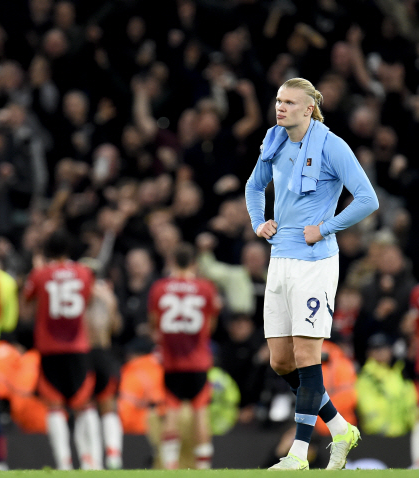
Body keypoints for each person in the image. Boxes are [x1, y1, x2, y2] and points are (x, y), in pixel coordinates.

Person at [245, 77, 379, 470]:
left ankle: (299, 454)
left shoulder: (332, 145)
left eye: (288, 102)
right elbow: (255, 186)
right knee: (281, 361)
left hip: (315, 261)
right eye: (277, 100)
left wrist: (326, 227)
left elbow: (367, 198)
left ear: (309, 108)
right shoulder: (274, 140)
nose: (280, 107)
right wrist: (258, 221)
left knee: (307, 355)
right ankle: (339, 426)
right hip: (280, 258)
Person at [21, 231, 97, 470]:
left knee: (54, 405)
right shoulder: (84, 273)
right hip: (77, 345)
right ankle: (90, 461)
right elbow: (89, 300)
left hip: (49, 346)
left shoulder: (40, 275)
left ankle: (63, 463)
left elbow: (27, 305)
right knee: (84, 403)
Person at [148, 243, 219, 469]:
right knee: (200, 411)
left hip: (171, 361)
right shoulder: (206, 288)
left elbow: (154, 324)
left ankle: (170, 464)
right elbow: (210, 324)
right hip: (198, 360)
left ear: (171, 262)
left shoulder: (159, 288)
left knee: (171, 410)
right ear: (194, 264)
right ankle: (203, 466)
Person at [83, 262, 124, 470]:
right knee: (109, 406)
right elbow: (117, 327)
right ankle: (114, 454)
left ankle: (93, 460)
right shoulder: (107, 294)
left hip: (84, 353)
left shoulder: (78, 292)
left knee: (86, 405)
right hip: (105, 353)